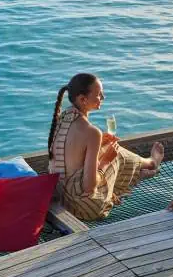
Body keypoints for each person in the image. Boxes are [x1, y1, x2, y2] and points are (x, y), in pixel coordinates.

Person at [48, 73, 164, 221]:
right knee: (116, 155)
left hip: (62, 197)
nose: (103, 97)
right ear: (83, 99)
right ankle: (151, 164)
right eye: (99, 94)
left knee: (108, 147)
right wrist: (106, 161)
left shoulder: (62, 119)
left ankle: (142, 170)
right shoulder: (91, 132)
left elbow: (71, 158)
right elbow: (89, 187)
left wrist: (100, 145)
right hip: (84, 208)